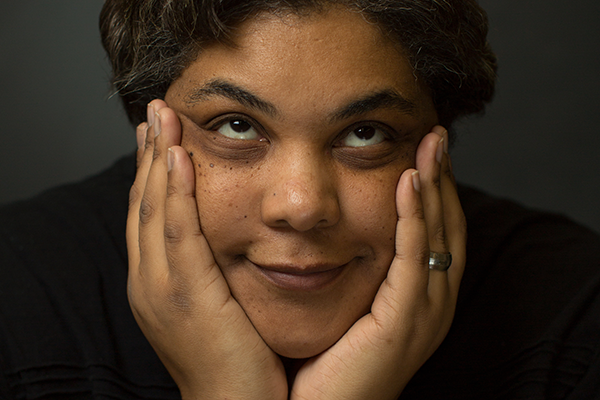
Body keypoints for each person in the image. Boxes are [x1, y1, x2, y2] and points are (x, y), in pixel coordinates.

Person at [1, 0, 599, 399]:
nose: (302, 205)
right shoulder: (16, 300)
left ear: (435, 139)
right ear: (151, 129)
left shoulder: (577, 315)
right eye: (236, 126)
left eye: (366, 132)